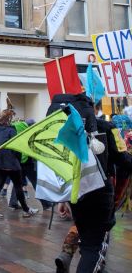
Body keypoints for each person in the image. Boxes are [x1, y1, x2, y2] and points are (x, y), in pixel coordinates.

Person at [57, 102, 132, 272]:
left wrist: (62, 199)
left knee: (87, 240)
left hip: (75, 193)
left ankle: (72, 254)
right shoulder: (107, 126)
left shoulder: (63, 127)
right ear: (95, 108)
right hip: (100, 194)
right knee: (94, 247)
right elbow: (124, 161)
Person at [0, 109, 38, 219]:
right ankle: (26, 210)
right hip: (10, 162)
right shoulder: (11, 130)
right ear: (8, 120)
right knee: (18, 185)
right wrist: (17, 161)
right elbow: (16, 147)